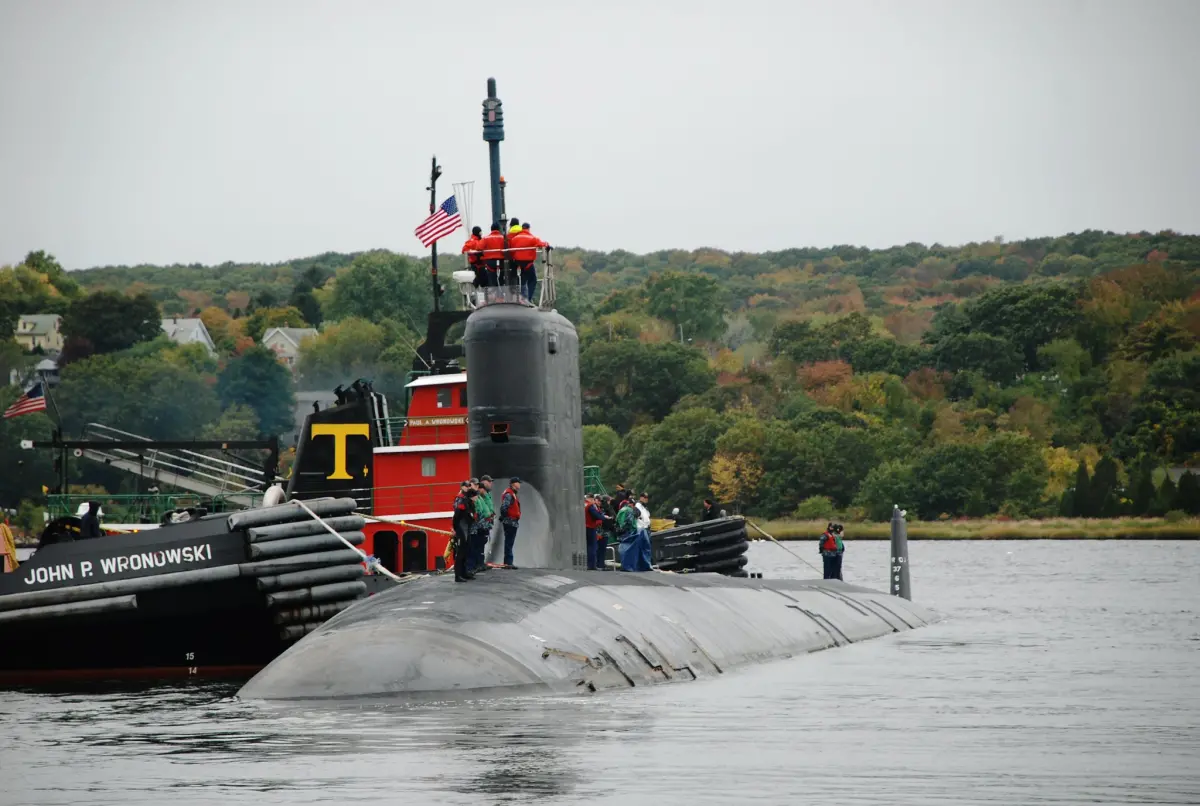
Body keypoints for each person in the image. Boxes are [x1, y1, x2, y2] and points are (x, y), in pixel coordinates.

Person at [510, 222, 548, 304]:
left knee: (523, 279)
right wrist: (547, 244)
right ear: (528, 228)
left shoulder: (515, 239)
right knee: (532, 280)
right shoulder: (532, 238)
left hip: (518, 262)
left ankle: (522, 297)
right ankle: (528, 299)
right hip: (528, 262)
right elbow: (541, 244)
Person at [452, 485, 477, 582]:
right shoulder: (463, 504)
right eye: (476, 496)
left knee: (466, 551)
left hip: (467, 529)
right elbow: (456, 517)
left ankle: (464, 573)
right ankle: (458, 575)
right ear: (472, 496)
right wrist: (456, 529)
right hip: (462, 529)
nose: (477, 498)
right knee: (460, 553)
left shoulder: (470, 504)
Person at [472, 474, 495, 572]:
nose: (491, 484)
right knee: (478, 544)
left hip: (486, 523)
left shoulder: (486, 495)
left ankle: (480, 562)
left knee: (482, 544)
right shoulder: (480, 496)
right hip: (481, 524)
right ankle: (477, 564)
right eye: (489, 482)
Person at [499, 477, 522, 569]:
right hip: (510, 521)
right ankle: (508, 562)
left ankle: (509, 562)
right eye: (518, 483)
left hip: (512, 521)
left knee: (509, 542)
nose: (519, 485)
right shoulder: (509, 494)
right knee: (509, 542)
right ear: (513, 484)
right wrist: (505, 517)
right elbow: (504, 507)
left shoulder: (512, 494)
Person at [584, 493, 610, 571]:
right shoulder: (590, 505)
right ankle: (592, 565)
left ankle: (589, 564)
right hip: (590, 527)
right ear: (592, 499)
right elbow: (597, 515)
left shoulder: (584, 504)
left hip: (584, 527)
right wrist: (604, 517)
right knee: (593, 546)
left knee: (588, 546)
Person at [615, 498, 641, 571]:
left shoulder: (621, 510)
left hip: (620, 532)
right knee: (628, 549)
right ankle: (628, 567)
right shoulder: (629, 510)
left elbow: (617, 520)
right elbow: (629, 522)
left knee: (622, 549)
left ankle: (623, 565)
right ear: (631, 504)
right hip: (627, 532)